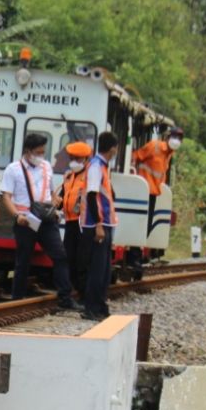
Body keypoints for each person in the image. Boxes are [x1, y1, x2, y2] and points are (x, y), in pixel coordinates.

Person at [0, 133, 81, 310]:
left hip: (46, 219)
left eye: (43, 151)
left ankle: (65, 297)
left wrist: (55, 201)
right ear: (28, 151)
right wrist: (16, 216)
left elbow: (50, 193)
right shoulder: (13, 169)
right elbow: (6, 197)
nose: (41, 155)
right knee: (23, 260)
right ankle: (17, 299)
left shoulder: (46, 167)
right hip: (25, 220)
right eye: (38, 152)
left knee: (60, 256)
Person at [81, 131, 121, 321]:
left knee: (104, 270)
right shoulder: (96, 166)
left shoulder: (102, 166)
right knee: (97, 269)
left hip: (105, 222)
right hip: (97, 224)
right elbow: (91, 195)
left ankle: (100, 306)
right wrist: (98, 224)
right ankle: (91, 307)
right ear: (112, 148)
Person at [132, 125, 184, 257]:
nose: (176, 140)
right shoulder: (154, 146)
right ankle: (134, 256)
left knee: (147, 227)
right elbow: (135, 156)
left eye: (179, 138)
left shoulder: (169, 154)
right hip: (142, 192)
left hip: (153, 194)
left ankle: (136, 255)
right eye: (174, 137)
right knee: (140, 225)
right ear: (167, 137)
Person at [57, 141, 93, 299]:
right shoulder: (69, 176)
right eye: (72, 158)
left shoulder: (90, 176)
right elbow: (63, 196)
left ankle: (84, 294)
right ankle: (70, 291)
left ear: (86, 159)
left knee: (82, 259)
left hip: (83, 223)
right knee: (68, 257)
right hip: (71, 222)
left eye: (78, 159)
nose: (74, 162)